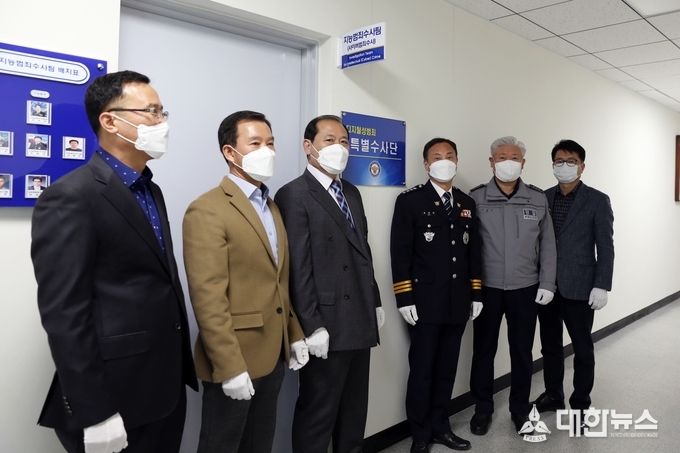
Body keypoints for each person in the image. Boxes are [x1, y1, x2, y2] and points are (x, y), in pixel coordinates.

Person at [31, 70, 198, 453]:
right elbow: (64, 313)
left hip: (163, 388)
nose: (162, 122)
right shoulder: (71, 196)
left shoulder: (150, 189)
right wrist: (95, 412)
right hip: (112, 396)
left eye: (162, 112)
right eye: (151, 111)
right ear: (110, 121)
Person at [183, 110, 308, 453]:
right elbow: (208, 298)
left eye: (270, 143)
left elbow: (278, 281)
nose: (267, 151)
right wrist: (229, 367)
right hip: (235, 356)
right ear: (230, 152)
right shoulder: (207, 209)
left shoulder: (271, 207)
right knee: (220, 446)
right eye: (255, 143)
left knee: (259, 444)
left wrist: (294, 333)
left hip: (273, 353)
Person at [274, 114, 384, 453]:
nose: (340, 147)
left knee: (354, 409)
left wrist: (375, 299)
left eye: (344, 141)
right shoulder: (294, 194)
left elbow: (363, 250)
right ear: (309, 147)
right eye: (330, 140)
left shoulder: (351, 191)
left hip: (359, 315)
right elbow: (297, 267)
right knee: (318, 412)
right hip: (325, 321)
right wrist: (311, 325)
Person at [390, 138, 482, 453]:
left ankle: (441, 427)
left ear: (457, 161)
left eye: (449, 156)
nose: (444, 161)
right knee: (422, 371)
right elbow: (400, 253)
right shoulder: (410, 201)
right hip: (424, 303)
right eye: (437, 157)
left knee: (446, 370)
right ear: (426, 165)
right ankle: (420, 432)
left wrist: (476, 292)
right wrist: (404, 298)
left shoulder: (466, 203)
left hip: (458, 301)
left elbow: (473, 253)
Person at [468, 136, 557, 436]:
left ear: (523, 163)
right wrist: (471, 288)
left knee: (521, 351)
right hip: (488, 289)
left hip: (525, 287)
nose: (509, 162)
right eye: (502, 157)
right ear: (492, 162)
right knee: (483, 350)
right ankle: (483, 408)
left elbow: (548, 245)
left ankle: (519, 408)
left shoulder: (537, 198)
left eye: (515, 157)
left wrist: (547, 282)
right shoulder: (475, 198)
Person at [531, 140, 614, 422]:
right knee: (550, 346)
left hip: (580, 286)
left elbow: (606, 246)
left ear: (582, 166)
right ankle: (553, 395)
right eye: (559, 161)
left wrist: (602, 284)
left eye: (571, 161)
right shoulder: (543, 197)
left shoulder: (597, 200)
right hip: (546, 285)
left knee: (582, 348)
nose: (564, 166)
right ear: (552, 164)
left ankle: (580, 403)